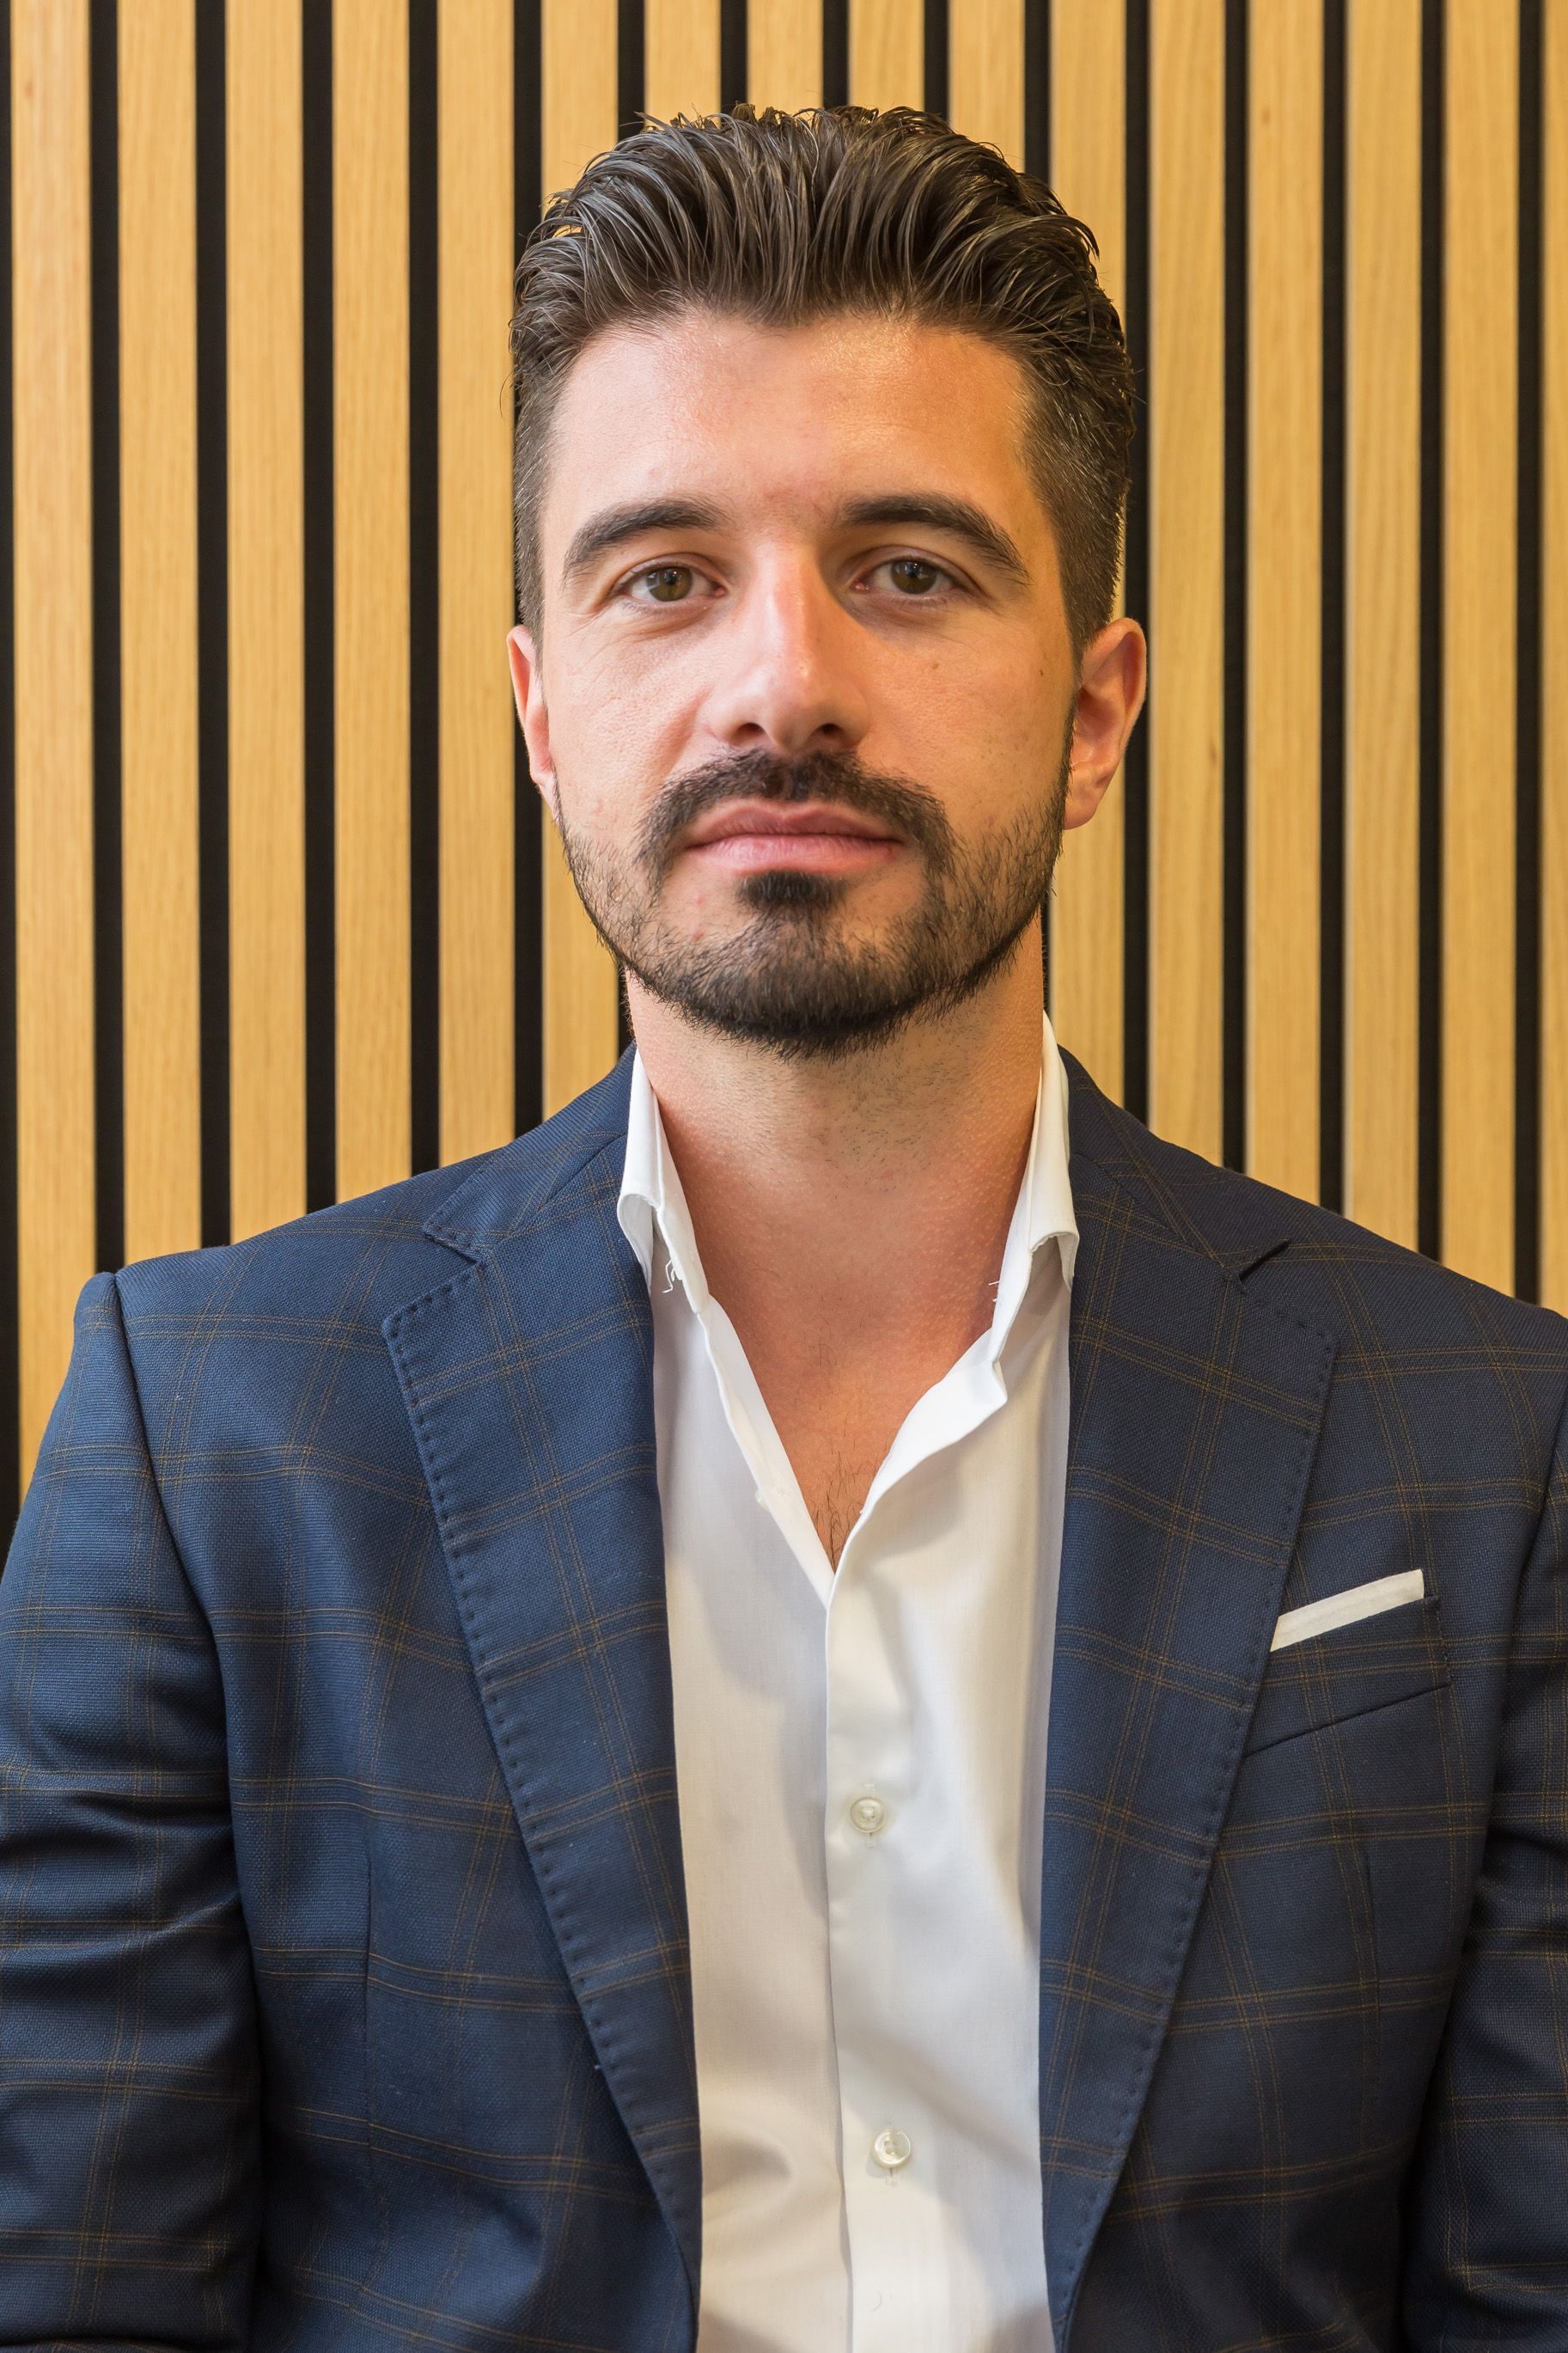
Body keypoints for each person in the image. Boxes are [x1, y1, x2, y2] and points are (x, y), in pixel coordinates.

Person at [1, 102, 1564, 2353]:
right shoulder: (208, 1438)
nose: (781, 684)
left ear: (1095, 713)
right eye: (664, 575)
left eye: (908, 569)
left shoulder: (1487, 1450)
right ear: (543, 716)